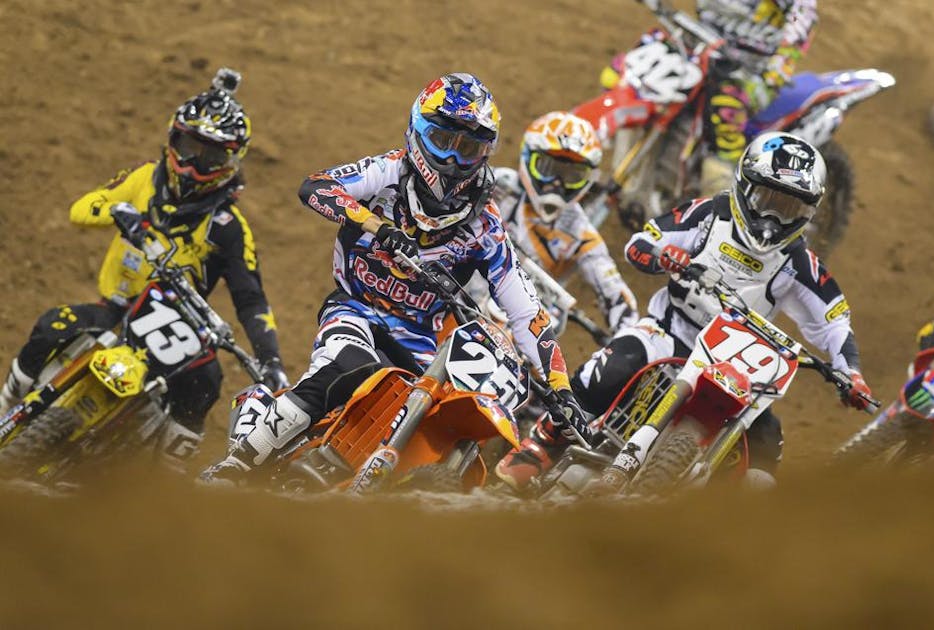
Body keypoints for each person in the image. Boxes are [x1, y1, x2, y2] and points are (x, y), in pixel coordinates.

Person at [200, 73, 589, 483]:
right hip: (357, 309)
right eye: (443, 141)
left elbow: (527, 313)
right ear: (418, 131)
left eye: (468, 148)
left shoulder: (486, 227)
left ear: (485, 152)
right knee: (350, 365)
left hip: (419, 340)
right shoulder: (387, 171)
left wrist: (561, 389)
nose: (453, 160)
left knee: (442, 414)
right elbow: (316, 187)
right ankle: (237, 464)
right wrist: (376, 224)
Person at [505, 131, 873, 490]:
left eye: (789, 208)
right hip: (669, 332)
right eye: (766, 200)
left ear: (808, 211)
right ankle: (538, 448)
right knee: (610, 368)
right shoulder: (710, 215)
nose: (772, 220)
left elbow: (834, 322)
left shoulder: (799, 262)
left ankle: (727, 517)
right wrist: (664, 255)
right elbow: (641, 242)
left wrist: (851, 374)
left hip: (735, 363)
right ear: (746, 186)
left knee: (766, 441)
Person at [0, 69, 289, 468]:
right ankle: (7, 407)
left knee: (207, 383)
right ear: (173, 138)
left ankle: (167, 478)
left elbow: (251, 298)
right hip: (118, 310)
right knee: (53, 326)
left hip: (174, 328)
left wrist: (271, 361)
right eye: (189, 146)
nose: (193, 164)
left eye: (210, 155)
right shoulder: (144, 179)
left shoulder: (228, 228)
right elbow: (81, 209)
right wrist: (122, 213)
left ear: (231, 160)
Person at [481, 111, 640, 489]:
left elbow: (613, 289)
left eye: (572, 176)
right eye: (549, 168)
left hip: (525, 317)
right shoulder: (495, 186)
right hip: (466, 293)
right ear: (528, 160)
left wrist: (630, 334)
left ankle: (524, 447)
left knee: (550, 396)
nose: (556, 183)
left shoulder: (580, 231)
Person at [609, 0, 818, 195]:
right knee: (623, 73)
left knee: (725, 114)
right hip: (697, 44)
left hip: (751, 68)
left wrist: (774, 71)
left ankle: (721, 201)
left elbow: (800, 24)